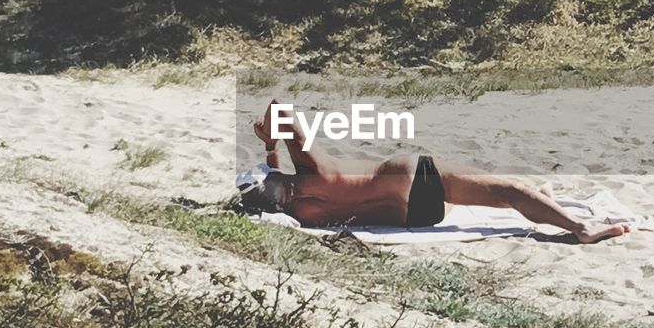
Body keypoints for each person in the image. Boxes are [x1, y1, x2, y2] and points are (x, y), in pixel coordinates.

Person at [240, 101, 629, 244]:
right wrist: (270, 138)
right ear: (280, 179)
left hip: (417, 216)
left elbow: (276, 191)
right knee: (509, 190)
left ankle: (546, 203)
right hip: (410, 178)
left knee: (508, 194)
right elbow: (281, 110)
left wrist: (270, 155)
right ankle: (580, 227)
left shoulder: (299, 213)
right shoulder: (312, 171)